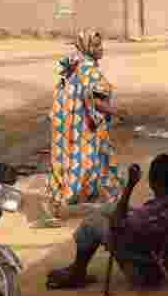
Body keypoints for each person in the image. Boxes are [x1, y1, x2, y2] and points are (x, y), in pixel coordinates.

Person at [45, 154, 168, 290]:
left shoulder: (149, 214)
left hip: (144, 269)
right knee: (110, 208)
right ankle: (76, 268)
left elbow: (117, 224)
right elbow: (139, 219)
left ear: (151, 181)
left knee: (91, 223)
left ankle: (77, 273)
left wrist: (130, 185)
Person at [34, 30, 123, 228]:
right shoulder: (89, 70)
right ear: (87, 47)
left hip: (66, 121)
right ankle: (68, 202)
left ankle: (61, 199)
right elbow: (97, 102)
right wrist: (117, 112)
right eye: (96, 46)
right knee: (90, 159)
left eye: (101, 45)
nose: (101, 49)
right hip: (80, 123)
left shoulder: (75, 63)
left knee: (67, 158)